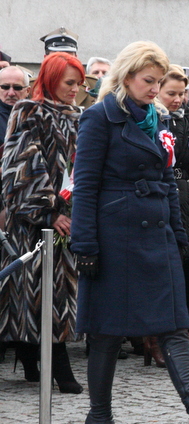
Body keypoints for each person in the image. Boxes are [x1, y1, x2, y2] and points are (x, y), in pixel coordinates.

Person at [70, 41, 189, 424]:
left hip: (156, 237)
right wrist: (86, 244)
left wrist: (180, 238)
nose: (154, 88)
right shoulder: (99, 117)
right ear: (126, 76)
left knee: (174, 328)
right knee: (107, 334)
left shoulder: (155, 119)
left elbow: (166, 179)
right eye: (149, 80)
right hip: (114, 238)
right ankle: (99, 419)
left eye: (159, 81)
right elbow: (85, 184)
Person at [1, 52, 84, 394]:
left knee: (59, 293)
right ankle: (52, 363)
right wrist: (49, 209)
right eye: (69, 83)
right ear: (50, 80)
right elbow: (20, 164)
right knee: (36, 294)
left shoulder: (80, 116)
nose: (75, 90)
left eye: (80, 84)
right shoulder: (28, 111)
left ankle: (37, 357)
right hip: (33, 221)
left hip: (70, 216)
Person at [155, 64, 189, 366]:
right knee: (162, 272)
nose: (178, 99)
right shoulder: (155, 120)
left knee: (184, 267)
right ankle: (159, 338)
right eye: (171, 93)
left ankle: (180, 332)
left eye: (182, 93)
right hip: (161, 196)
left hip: (184, 197)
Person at [0, 66, 31, 147]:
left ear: (27, 91)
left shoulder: (38, 115)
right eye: (5, 87)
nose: (11, 93)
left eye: (17, 88)